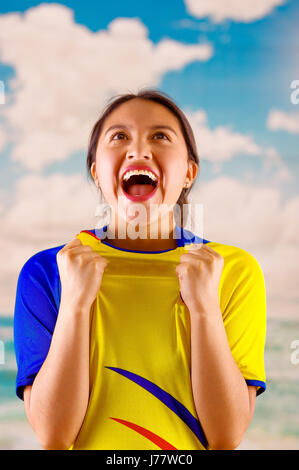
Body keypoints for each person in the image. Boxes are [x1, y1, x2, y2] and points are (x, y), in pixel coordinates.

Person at [13, 89, 267, 450]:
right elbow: (54, 436)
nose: (138, 150)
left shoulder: (234, 271)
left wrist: (205, 308)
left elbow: (226, 437)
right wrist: (74, 305)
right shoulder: (47, 272)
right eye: (119, 137)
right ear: (97, 172)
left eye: (160, 136)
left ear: (189, 173)